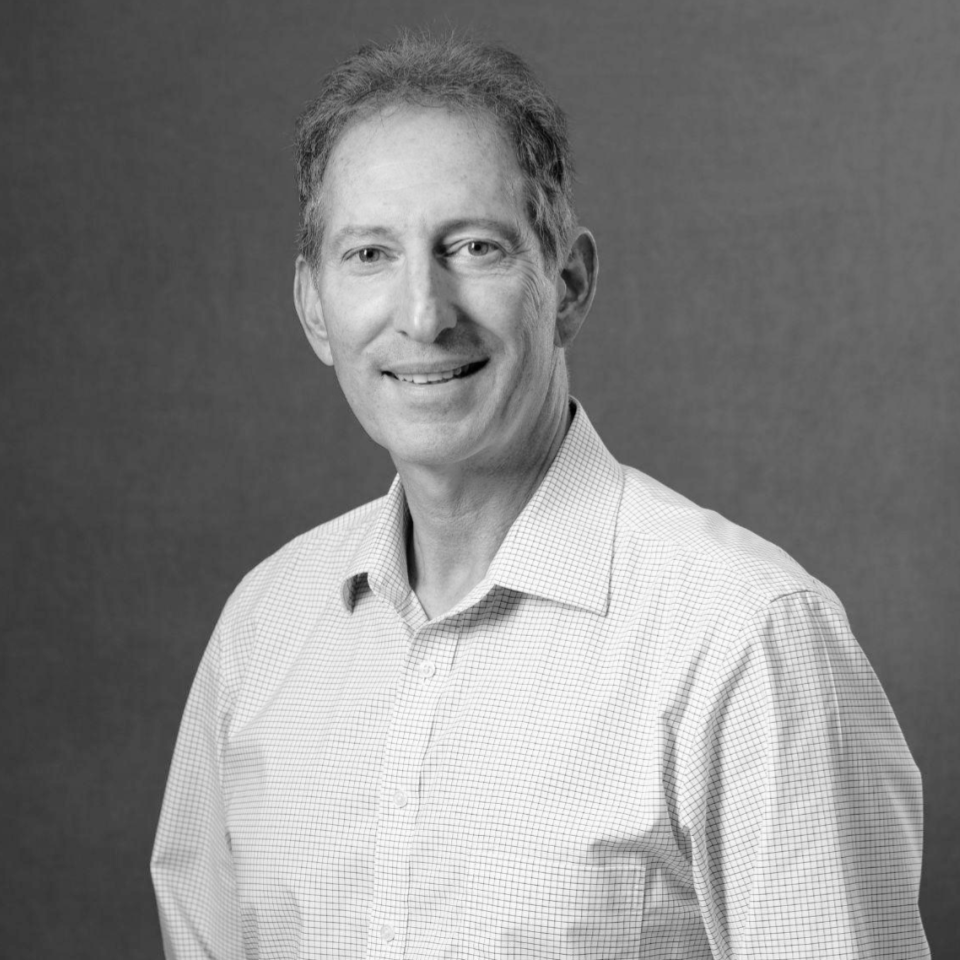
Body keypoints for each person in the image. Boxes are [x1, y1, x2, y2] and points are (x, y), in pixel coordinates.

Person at [151, 31, 930, 960]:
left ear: (568, 283)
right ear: (314, 308)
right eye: (369, 254)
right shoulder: (263, 630)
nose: (423, 314)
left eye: (473, 247)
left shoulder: (746, 639)